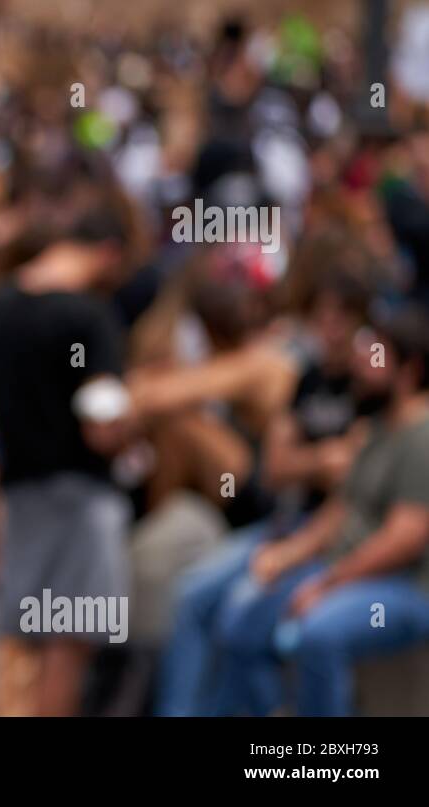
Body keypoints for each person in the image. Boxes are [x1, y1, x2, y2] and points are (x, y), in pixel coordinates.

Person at [156, 267, 372, 715]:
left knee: (243, 617)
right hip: (280, 525)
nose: (330, 328)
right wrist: (320, 461)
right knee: (193, 597)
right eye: (322, 316)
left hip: (327, 538)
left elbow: (352, 485)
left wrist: (311, 469)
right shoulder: (305, 377)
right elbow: (275, 469)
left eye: (341, 317)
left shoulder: (369, 387)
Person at [0, 207, 135, 716]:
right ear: (108, 254)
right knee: (69, 638)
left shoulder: (2, 304)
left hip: (19, 488)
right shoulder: (90, 316)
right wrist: (131, 432)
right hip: (83, 495)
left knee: (18, 631)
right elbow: (102, 424)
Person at [212, 305, 429, 716]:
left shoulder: (423, 435)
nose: (360, 366)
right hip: (345, 572)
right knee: (240, 622)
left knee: (318, 634)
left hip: (404, 587)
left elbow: (405, 540)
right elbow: (339, 511)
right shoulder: (376, 428)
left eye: (376, 356)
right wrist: (286, 556)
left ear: (410, 368)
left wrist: (329, 583)